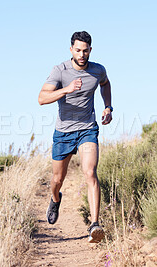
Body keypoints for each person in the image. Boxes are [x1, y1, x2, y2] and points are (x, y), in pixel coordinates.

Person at [38, 31, 112, 243]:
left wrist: (108, 106)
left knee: (90, 172)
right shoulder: (60, 71)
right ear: (71, 50)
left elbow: (105, 84)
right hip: (63, 133)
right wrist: (66, 89)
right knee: (57, 180)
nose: (81, 54)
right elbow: (42, 98)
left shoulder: (98, 70)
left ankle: (95, 225)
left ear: (90, 50)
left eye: (85, 50)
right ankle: (55, 199)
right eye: (78, 50)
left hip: (87, 129)